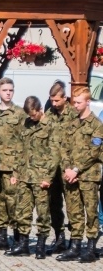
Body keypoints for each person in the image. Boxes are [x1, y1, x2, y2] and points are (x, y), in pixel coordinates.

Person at [56, 87, 103, 262]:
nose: (75, 105)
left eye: (78, 102)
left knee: (90, 211)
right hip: (70, 176)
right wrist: (68, 169)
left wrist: (76, 169)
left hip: (88, 176)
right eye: (74, 102)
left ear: (87, 102)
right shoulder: (71, 123)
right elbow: (64, 148)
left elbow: (94, 152)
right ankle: (75, 245)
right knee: (73, 211)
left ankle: (90, 247)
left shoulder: (97, 125)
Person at [13, 96, 58, 259]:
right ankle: (23, 244)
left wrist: (48, 177)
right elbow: (20, 149)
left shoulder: (50, 125)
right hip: (25, 175)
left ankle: (41, 244)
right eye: (29, 115)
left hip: (41, 177)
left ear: (40, 110)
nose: (31, 118)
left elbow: (54, 154)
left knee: (43, 212)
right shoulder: (26, 124)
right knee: (22, 211)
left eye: (33, 115)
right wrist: (15, 173)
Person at [0, 78, 26, 252]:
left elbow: (24, 142)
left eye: (11, 90)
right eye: (5, 90)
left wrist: (19, 169)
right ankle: (2, 236)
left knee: (13, 201)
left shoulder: (19, 114)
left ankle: (18, 237)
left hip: (12, 166)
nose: (8, 93)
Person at [44, 81, 76, 254]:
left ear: (65, 98)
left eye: (57, 100)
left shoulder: (73, 115)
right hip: (52, 169)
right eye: (52, 100)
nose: (54, 104)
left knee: (72, 206)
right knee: (53, 205)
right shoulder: (48, 114)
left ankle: (75, 240)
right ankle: (59, 238)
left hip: (68, 168)